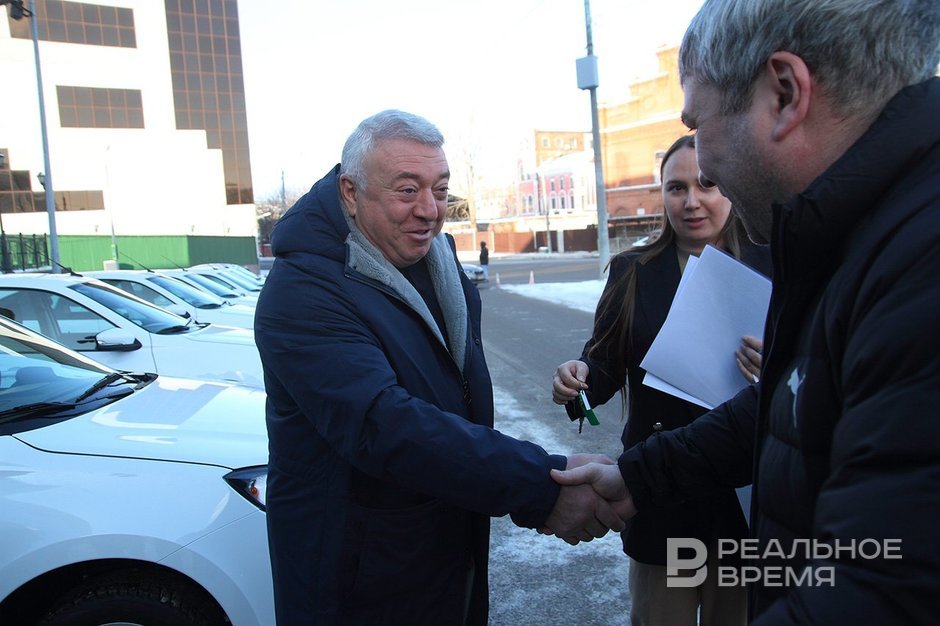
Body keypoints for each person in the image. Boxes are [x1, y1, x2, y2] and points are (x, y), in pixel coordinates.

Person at [551, 0, 940, 623]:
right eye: (676, 185)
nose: (702, 174)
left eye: (699, 123)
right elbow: (782, 409)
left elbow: (884, 583)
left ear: (784, 94)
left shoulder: (908, 257)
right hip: (670, 518)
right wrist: (636, 475)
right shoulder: (849, 239)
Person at [254, 109, 629, 625]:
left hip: (443, 542)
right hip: (355, 578)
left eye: (441, 189)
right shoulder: (304, 290)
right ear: (350, 192)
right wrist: (540, 486)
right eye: (407, 190)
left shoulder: (436, 260)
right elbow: (384, 424)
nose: (430, 211)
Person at [552, 134, 770, 626]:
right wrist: (577, 378)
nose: (692, 201)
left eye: (706, 184)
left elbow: (812, 373)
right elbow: (602, 365)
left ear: (729, 186)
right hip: (660, 492)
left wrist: (776, 365)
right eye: (676, 188)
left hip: (744, 493)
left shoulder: (772, 264)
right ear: (663, 194)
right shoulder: (633, 271)